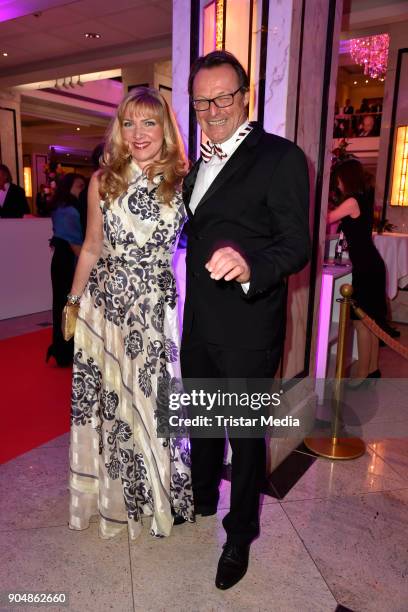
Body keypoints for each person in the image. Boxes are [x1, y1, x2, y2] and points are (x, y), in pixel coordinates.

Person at [181, 50, 310, 589]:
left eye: (223, 97)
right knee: (204, 421)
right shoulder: (198, 163)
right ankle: (205, 499)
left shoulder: (280, 157)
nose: (212, 109)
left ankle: (240, 535)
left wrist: (251, 264)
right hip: (200, 322)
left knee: (246, 436)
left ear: (245, 95)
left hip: (250, 323)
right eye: (202, 100)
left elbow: (297, 244)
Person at [67, 87, 194, 540]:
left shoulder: (184, 179)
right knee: (113, 405)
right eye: (129, 123)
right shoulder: (106, 179)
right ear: (119, 129)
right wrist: (72, 300)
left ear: (166, 129)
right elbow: (91, 246)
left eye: (149, 123)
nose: (138, 134)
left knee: (153, 403)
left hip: (154, 312)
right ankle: (118, 495)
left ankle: (158, 495)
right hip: (105, 309)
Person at [327, 159, 386, 384]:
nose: (338, 184)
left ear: (346, 178)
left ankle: (361, 374)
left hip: (367, 266)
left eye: (338, 180)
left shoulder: (352, 200)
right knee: (369, 322)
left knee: (362, 322)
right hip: (371, 264)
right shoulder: (363, 198)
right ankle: (371, 369)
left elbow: (327, 219)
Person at [46, 173, 86, 366]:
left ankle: (64, 348)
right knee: (68, 305)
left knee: (66, 305)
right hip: (67, 263)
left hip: (65, 261)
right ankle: (64, 350)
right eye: (79, 186)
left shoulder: (66, 207)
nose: (82, 190)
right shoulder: (67, 210)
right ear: (68, 187)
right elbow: (75, 245)